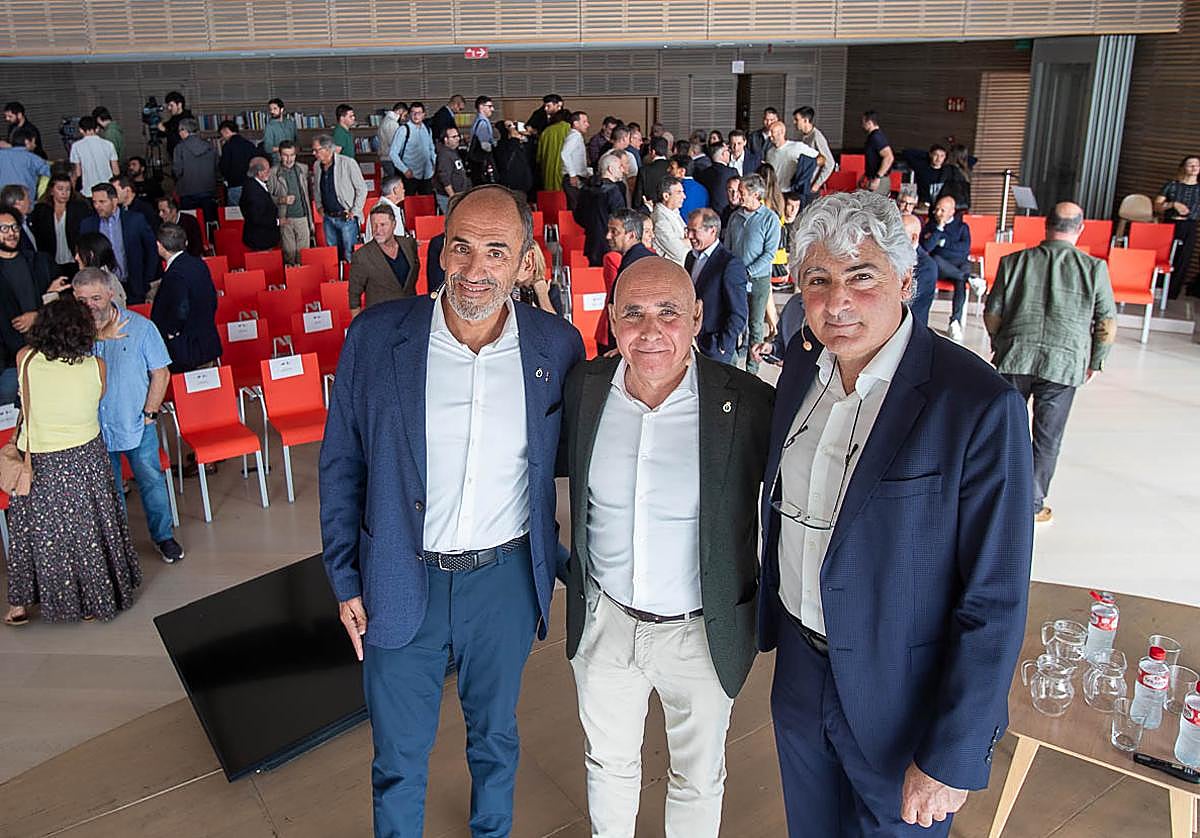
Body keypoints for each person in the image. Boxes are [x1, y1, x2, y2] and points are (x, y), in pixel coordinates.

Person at [756, 189, 1034, 837]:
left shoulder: (975, 406)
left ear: (907, 281)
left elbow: (994, 596)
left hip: (901, 696)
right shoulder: (801, 369)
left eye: (862, 277)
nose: (837, 302)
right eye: (817, 280)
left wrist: (954, 752)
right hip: (800, 667)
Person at [319, 184, 585, 836]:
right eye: (460, 247)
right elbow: (342, 464)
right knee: (399, 757)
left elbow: (578, 461)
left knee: (495, 740)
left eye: (497, 251)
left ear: (526, 263)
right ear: (440, 251)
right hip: (399, 577)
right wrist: (344, 576)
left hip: (504, 582)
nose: (473, 270)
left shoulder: (556, 347)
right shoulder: (378, 338)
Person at [559, 255, 773, 837]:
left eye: (668, 312)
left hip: (700, 632)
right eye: (633, 313)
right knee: (608, 764)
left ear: (697, 317)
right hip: (606, 623)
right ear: (611, 319)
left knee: (699, 777)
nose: (650, 330)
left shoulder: (747, 404)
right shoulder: (586, 390)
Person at [3, 294, 141, 626]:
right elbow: (99, 394)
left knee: (35, 531)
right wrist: (99, 338)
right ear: (84, 332)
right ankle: (95, 601)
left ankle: (20, 605)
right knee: (88, 530)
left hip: (39, 460)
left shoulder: (25, 358)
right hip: (85, 456)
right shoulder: (97, 366)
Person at [985, 203, 1117, 524]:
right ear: (1080, 228)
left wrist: (999, 344)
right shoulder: (1093, 268)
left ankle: (996, 496)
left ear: (1046, 225)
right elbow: (1107, 323)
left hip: (1015, 355)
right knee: (1047, 437)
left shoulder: (1013, 262)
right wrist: (1095, 361)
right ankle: (1031, 504)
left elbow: (993, 313)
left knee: (1005, 430)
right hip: (1064, 362)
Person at [74, 267, 183, 564]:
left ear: (111, 293)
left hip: (136, 422)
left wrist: (150, 412)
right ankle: (119, 545)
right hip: (93, 429)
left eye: (96, 297)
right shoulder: (71, 335)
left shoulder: (142, 327)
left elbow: (160, 373)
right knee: (109, 492)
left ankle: (163, 537)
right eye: (83, 299)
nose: (91, 305)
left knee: (151, 480)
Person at [0, 207, 61, 404]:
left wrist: (38, 315)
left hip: (45, 353)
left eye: (15, 227)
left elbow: (61, 303)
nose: (11, 233)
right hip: (8, 363)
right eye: (4, 228)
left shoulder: (39, 262)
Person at [724, 173, 780, 374]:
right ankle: (731, 367)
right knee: (734, 321)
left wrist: (747, 272)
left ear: (756, 195)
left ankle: (752, 369)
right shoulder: (735, 217)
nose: (739, 197)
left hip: (758, 280)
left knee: (756, 325)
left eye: (743, 193)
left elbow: (769, 254)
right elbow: (728, 247)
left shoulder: (770, 219)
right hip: (736, 280)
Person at [150, 222, 221, 375]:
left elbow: (180, 309)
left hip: (185, 348)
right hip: (205, 340)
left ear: (159, 245)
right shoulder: (198, 264)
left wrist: (171, 333)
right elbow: (212, 299)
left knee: (190, 393)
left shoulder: (175, 274)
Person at [684, 208, 748, 364]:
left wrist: (723, 345)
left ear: (712, 231)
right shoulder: (691, 258)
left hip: (714, 348)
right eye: (688, 230)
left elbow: (739, 312)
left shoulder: (729, 264)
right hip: (691, 343)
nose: (689, 236)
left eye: (694, 231)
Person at [79, 183, 158, 305]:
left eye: (102, 202)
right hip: (102, 289)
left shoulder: (135, 220)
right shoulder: (88, 225)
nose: (97, 206)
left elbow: (151, 250)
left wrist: (147, 279)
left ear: (114, 201)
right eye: (94, 202)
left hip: (134, 286)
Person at [596, 208, 651, 352]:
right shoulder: (634, 258)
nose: (608, 236)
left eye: (614, 232)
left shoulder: (638, 263)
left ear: (631, 235)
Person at [347, 204, 419, 314]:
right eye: (374, 225)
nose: (377, 230)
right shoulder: (361, 256)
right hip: (380, 318)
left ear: (394, 224)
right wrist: (360, 328)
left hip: (410, 313)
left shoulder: (409, 244)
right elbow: (354, 298)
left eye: (383, 225)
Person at [921, 194, 974, 341]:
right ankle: (970, 279)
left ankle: (955, 322)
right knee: (936, 259)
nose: (938, 213)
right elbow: (926, 247)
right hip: (939, 268)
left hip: (956, 266)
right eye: (937, 209)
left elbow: (964, 248)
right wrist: (939, 228)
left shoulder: (962, 227)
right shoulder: (931, 226)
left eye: (942, 210)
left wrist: (943, 243)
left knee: (960, 282)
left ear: (951, 211)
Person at [311, 134, 367, 264]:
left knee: (349, 255)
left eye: (317, 150)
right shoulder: (316, 166)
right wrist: (319, 205)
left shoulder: (348, 163)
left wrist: (355, 211)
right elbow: (317, 188)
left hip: (346, 217)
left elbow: (362, 189)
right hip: (328, 218)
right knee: (333, 255)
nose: (314, 153)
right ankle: (337, 283)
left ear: (327, 149)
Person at [1154, 154, 1200, 298]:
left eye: (1197, 165)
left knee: (1183, 259)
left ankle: (1172, 293)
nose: (1194, 168)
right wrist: (1173, 204)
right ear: (1183, 167)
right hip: (1170, 223)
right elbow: (1157, 206)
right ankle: (1157, 289)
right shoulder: (1172, 185)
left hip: (1190, 225)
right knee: (1164, 256)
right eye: (1190, 164)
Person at [31, 171, 93, 278]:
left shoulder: (80, 208)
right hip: (50, 262)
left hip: (74, 261)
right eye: (60, 189)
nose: (64, 193)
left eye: (68, 189)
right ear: (51, 191)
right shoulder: (41, 210)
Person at [574, 154, 627, 267]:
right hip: (611, 243)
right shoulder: (613, 191)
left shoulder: (586, 189)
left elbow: (578, 216)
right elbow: (621, 220)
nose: (622, 170)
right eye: (619, 167)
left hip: (591, 241)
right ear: (610, 169)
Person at [267, 140, 313, 265]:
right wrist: (281, 199)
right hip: (285, 218)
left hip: (303, 217)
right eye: (285, 155)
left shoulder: (303, 169)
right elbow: (267, 198)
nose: (289, 159)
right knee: (289, 255)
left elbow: (309, 194)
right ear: (280, 155)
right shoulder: (272, 173)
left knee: (304, 255)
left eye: (292, 155)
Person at [172, 118, 218, 226]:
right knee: (209, 223)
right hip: (208, 190)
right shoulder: (209, 146)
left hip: (187, 191)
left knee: (190, 224)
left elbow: (177, 171)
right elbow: (216, 167)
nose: (179, 133)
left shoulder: (180, 148)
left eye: (179, 130)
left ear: (184, 130)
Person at [389, 102, 436, 197]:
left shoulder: (427, 129)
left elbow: (431, 149)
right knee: (408, 203)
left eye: (419, 113)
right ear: (409, 114)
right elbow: (393, 153)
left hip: (427, 174)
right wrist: (405, 170)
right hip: (410, 175)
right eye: (413, 112)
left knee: (427, 203)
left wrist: (435, 164)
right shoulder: (403, 130)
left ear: (424, 115)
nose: (416, 115)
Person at [764, 121, 819, 198]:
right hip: (775, 193)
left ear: (782, 133)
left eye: (772, 132)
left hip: (791, 193)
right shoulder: (769, 152)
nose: (769, 135)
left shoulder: (797, 147)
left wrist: (808, 176)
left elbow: (820, 158)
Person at [239, 157, 281, 252]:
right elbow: (258, 218)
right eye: (267, 170)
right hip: (261, 239)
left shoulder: (251, 185)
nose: (269, 172)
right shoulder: (254, 191)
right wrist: (278, 222)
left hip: (258, 237)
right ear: (260, 172)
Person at [902, 213, 937, 328]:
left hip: (911, 328)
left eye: (899, 235)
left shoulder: (927, 266)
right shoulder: (893, 256)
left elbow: (907, 301)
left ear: (913, 238)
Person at [69, 115, 119, 192]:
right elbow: (116, 171)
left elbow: (78, 173)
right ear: (97, 129)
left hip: (88, 189)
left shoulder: (76, 146)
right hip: (108, 188)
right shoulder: (109, 144)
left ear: (81, 130)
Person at [792, 106, 835, 192]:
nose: (794, 122)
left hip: (810, 185)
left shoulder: (817, 137)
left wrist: (817, 184)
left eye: (797, 120)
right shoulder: (802, 136)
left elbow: (830, 163)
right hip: (802, 182)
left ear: (805, 120)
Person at [218, 121, 259, 207]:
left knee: (235, 215)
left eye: (222, 134)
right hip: (250, 185)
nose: (222, 138)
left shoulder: (228, 146)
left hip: (235, 185)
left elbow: (224, 167)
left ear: (226, 131)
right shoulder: (250, 144)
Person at [0, 127, 50, 197]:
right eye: (33, 142)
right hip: (25, 202)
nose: (35, 145)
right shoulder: (33, 158)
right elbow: (51, 171)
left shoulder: (2, 154)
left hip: (3, 201)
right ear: (27, 142)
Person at [433, 125, 471, 215]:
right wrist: (452, 196)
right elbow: (444, 178)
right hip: (448, 197)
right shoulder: (444, 155)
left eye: (458, 136)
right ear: (446, 139)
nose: (457, 139)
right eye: (454, 137)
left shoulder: (452, 152)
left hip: (458, 195)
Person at [651, 175, 688, 266]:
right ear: (666, 196)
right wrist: (687, 240)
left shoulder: (674, 211)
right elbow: (680, 253)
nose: (684, 196)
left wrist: (683, 241)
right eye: (679, 192)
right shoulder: (660, 220)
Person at [696, 143, 738, 217]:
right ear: (723, 154)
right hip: (726, 213)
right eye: (728, 151)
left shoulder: (703, 173)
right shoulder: (731, 172)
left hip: (707, 213)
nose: (729, 154)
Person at [535, 109, 572, 193]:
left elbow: (539, 156)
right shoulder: (570, 129)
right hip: (565, 172)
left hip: (548, 172)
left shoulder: (546, 131)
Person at [493, 120, 533, 196]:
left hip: (521, 184)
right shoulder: (503, 146)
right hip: (512, 185)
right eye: (510, 126)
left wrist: (529, 133)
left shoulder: (518, 143)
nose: (514, 128)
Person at [561, 111, 592, 210]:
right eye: (584, 122)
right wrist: (572, 174)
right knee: (577, 209)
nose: (588, 124)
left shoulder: (576, 136)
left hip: (577, 177)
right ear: (575, 123)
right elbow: (565, 153)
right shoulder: (575, 136)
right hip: (573, 179)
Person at [861, 110, 895, 194]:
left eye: (863, 122)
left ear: (869, 123)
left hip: (879, 180)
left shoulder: (876, 137)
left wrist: (877, 177)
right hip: (873, 178)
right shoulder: (873, 137)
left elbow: (889, 157)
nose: (862, 125)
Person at [633, 136, 670, 209]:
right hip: (669, 208)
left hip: (650, 209)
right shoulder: (673, 168)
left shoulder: (644, 170)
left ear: (652, 152)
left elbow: (638, 197)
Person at [467, 96, 496, 183]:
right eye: (489, 106)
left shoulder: (478, 121)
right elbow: (485, 146)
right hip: (481, 161)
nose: (493, 109)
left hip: (476, 161)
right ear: (481, 107)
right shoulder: (483, 123)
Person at [376, 102, 408, 178]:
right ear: (400, 111)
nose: (404, 118)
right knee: (395, 183)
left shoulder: (385, 120)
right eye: (405, 115)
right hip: (390, 159)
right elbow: (395, 144)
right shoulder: (392, 124)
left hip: (386, 158)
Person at [262, 98, 298, 166]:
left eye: (275, 108)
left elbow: (297, 141)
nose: (272, 111)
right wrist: (285, 149)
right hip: (277, 161)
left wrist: (294, 151)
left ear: (281, 109)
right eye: (270, 109)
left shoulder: (290, 123)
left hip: (293, 160)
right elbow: (268, 148)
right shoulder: (269, 126)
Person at [159, 91, 194, 157]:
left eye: (171, 105)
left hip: (185, 156)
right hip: (176, 155)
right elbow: (162, 134)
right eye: (168, 105)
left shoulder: (188, 119)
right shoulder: (174, 118)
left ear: (179, 105)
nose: (169, 108)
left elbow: (181, 139)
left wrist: (165, 130)